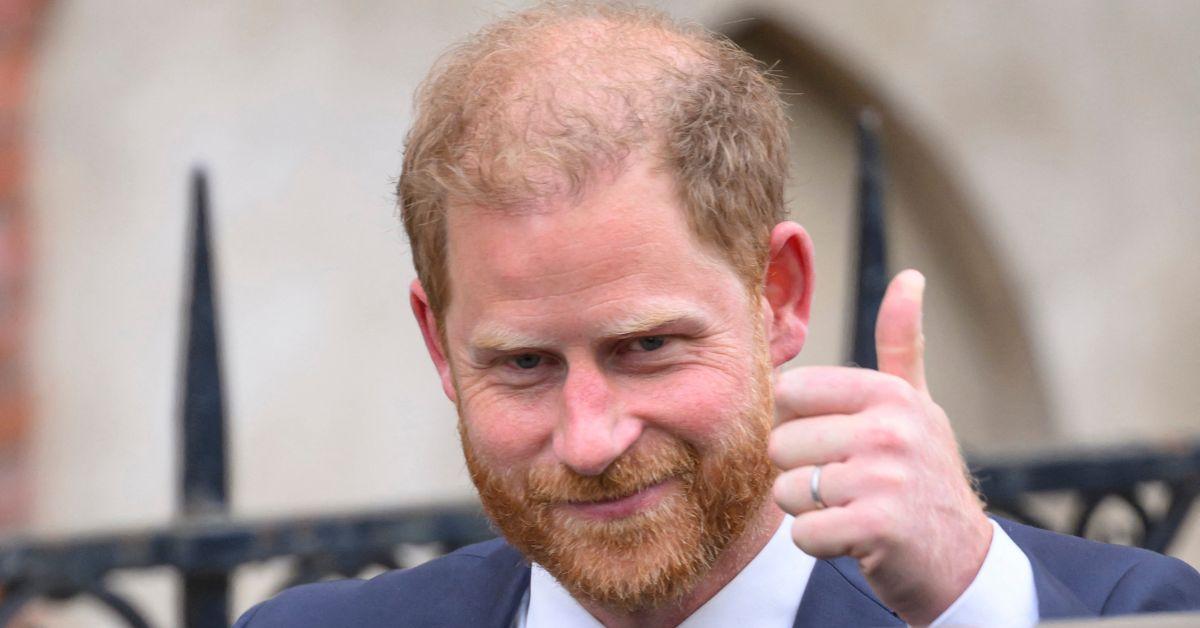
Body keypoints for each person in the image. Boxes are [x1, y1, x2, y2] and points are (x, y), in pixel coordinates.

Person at [236, 2, 1200, 626]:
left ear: (778, 295)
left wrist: (970, 607)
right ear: (439, 345)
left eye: (648, 346)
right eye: (524, 363)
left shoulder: (1114, 608)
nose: (590, 440)